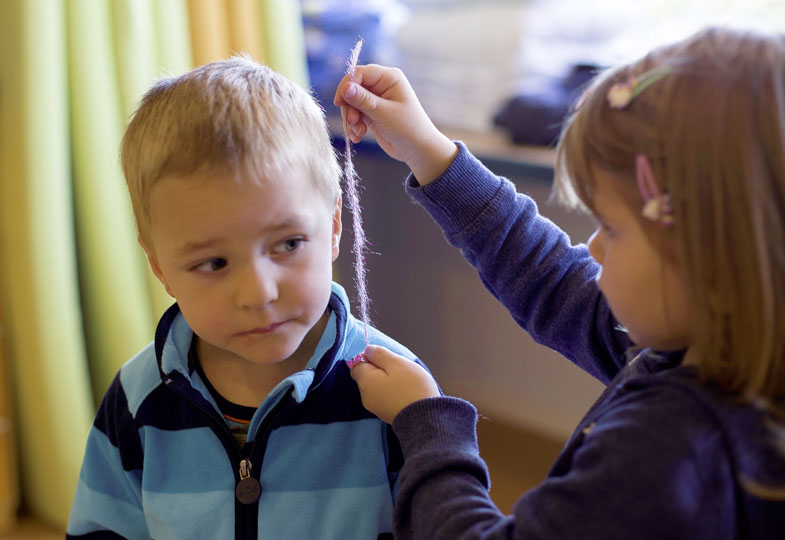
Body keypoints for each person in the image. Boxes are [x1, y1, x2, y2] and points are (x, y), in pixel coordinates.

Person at [334, 26, 785, 539]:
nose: (592, 247)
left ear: (714, 262)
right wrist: (431, 153)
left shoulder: (665, 455)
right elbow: (555, 282)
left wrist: (427, 422)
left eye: (611, 228)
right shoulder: (717, 349)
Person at [66, 55, 428, 540]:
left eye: (288, 244)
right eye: (214, 263)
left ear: (335, 224)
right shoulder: (138, 400)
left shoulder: (397, 393)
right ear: (159, 268)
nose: (259, 293)